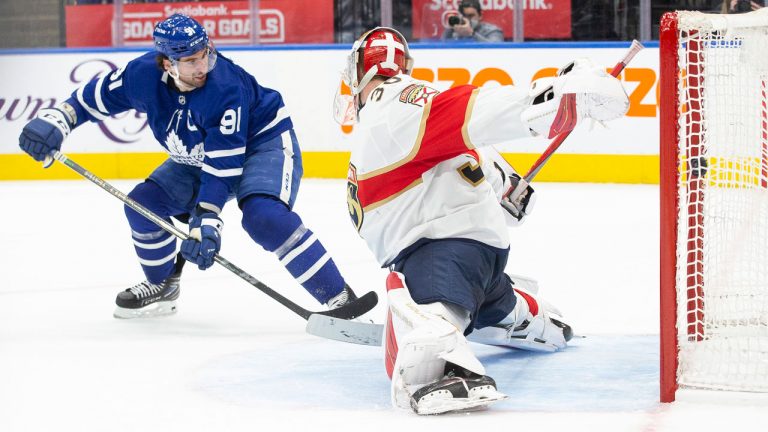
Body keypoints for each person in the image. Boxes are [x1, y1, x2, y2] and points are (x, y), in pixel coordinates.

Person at [334, 27, 629, 414]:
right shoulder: (392, 117)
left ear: (359, 72)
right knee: (488, 299)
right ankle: (533, 319)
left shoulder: (392, 104)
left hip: (439, 253)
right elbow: (478, 158)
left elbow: (469, 108)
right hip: (478, 263)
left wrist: (553, 95)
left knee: (407, 297)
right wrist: (506, 188)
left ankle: (444, 361)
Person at [18, 14, 374, 319]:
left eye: (204, 55)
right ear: (166, 63)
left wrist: (207, 223)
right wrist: (55, 120)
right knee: (142, 206)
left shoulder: (225, 87)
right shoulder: (141, 76)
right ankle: (162, 284)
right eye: (190, 61)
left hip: (262, 143)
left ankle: (339, 297)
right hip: (197, 156)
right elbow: (90, 100)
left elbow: (223, 166)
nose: (202, 66)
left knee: (263, 216)